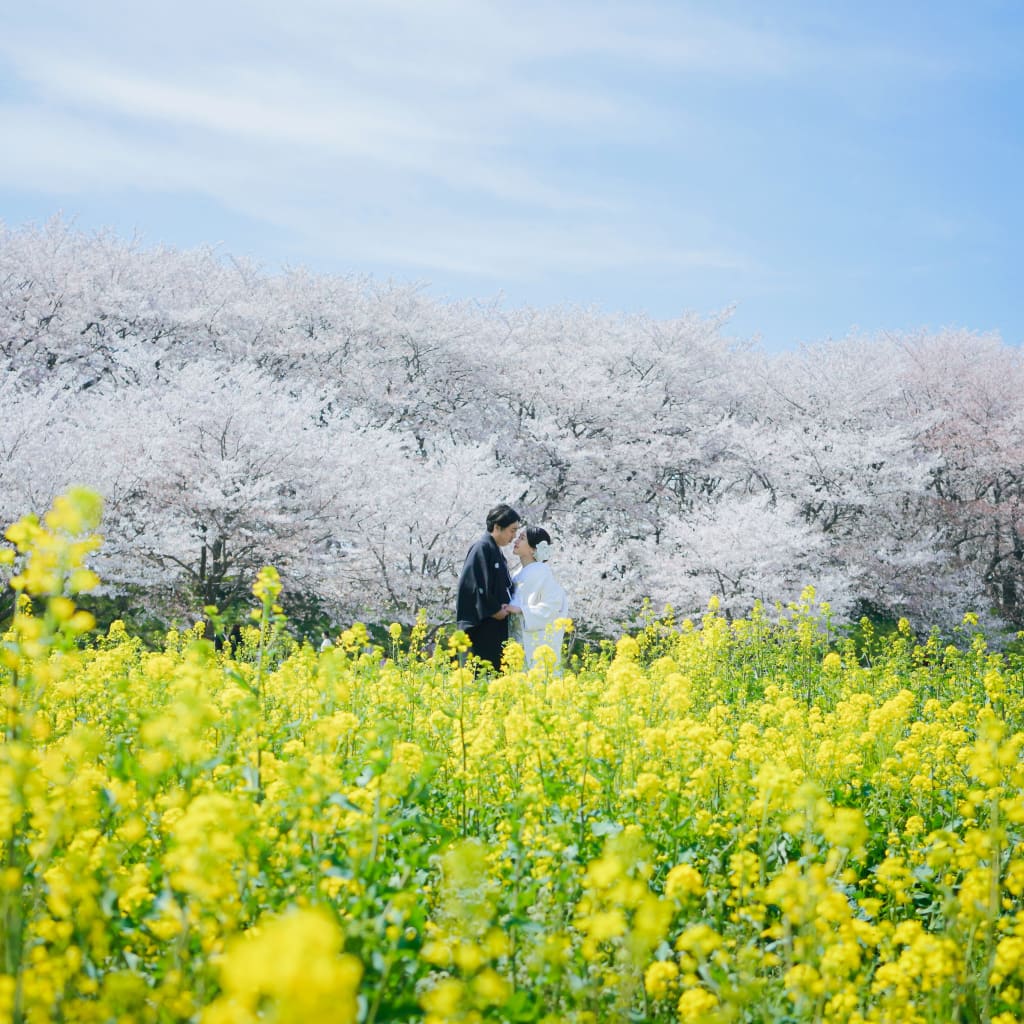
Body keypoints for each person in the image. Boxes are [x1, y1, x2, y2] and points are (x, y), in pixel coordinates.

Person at [455, 504, 521, 671]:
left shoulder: (494, 550)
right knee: (482, 675)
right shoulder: (482, 548)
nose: (514, 536)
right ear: (497, 527)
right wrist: (493, 609)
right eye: (512, 530)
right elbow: (475, 585)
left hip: (493, 626)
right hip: (482, 626)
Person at [507, 526, 569, 670]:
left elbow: (552, 608)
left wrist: (521, 610)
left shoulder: (542, 572)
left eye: (522, 538)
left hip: (533, 642)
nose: (516, 540)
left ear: (533, 549)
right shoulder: (518, 573)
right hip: (516, 640)